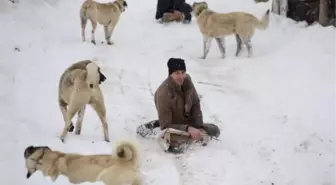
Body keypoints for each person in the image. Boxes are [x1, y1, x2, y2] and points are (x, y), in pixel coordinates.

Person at [136, 58, 220, 152]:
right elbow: (166, 124)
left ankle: (191, 136)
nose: (181, 76)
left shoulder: (187, 81)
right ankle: (157, 128)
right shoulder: (163, 92)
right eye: (177, 73)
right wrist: (188, 129)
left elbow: (196, 104)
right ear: (170, 74)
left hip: (187, 123)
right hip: (172, 126)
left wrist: (198, 126)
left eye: (183, 72)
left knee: (214, 130)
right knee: (175, 145)